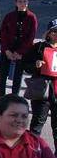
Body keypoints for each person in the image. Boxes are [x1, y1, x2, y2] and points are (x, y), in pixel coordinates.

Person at [24, 19, 57, 147]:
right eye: (54, 31)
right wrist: (35, 65)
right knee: (37, 124)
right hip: (41, 91)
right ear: (48, 33)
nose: (56, 34)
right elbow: (25, 65)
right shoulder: (39, 47)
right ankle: (31, 151)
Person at [0, 0, 36, 97]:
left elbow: (31, 37)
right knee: (2, 75)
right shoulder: (10, 16)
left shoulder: (31, 17)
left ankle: (15, 97)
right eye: (20, 1)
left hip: (21, 51)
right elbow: (3, 33)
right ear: (16, 3)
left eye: (25, 2)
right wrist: (6, 50)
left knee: (17, 76)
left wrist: (20, 52)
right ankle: (1, 97)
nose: (22, 4)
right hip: (7, 50)